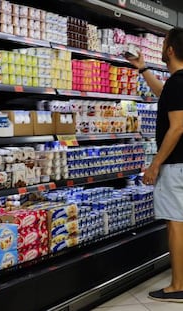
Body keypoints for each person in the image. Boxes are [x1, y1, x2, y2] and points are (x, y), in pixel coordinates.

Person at [127, 27, 183, 302]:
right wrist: (143, 68)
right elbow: (166, 94)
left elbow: (177, 127)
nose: (161, 47)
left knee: (176, 223)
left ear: (170, 49)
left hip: (175, 166)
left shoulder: (178, 83)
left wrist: (155, 164)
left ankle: (178, 286)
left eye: (163, 42)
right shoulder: (178, 82)